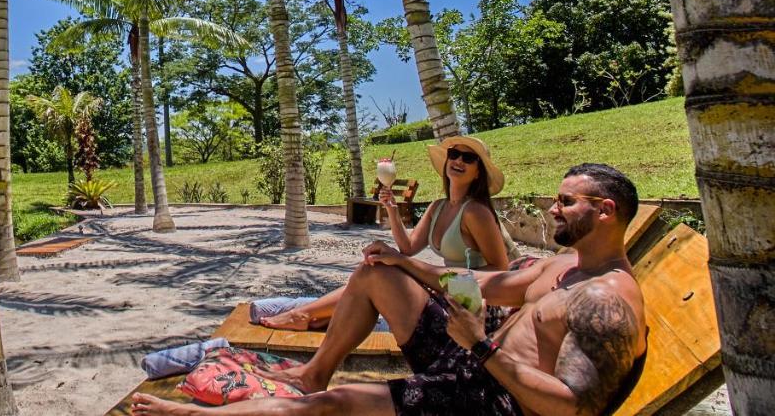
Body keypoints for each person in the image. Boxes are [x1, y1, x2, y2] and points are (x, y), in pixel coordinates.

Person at [132, 163, 648, 416]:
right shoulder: (561, 267)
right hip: (469, 354)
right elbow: (476, 283)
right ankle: (312, 371)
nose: (552, 209)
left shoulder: (604, 302)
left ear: (605, 212)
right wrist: (404, 262)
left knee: (339, 404)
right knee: (378, 273)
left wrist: (480, 344)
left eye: (566, 201)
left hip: (488, 396)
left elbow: (574, 408)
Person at [261, 135, 514, 331]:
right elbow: (408, 248)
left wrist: (443, 279)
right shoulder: (439, 207)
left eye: (468, 159)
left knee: (379, 273)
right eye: (454, 154)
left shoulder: (475, 213)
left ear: (478, 171)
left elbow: (500, 270)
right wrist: (392, 209)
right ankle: (311, 315)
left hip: (473, 306)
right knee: (375, 267)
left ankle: (306, 314)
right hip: (447, 291)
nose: (458, 161)